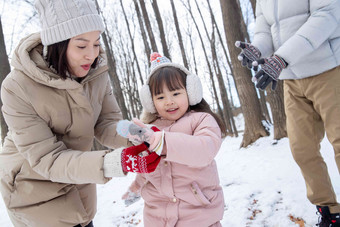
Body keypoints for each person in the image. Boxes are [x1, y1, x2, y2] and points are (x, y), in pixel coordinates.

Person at [0, 0, 158, 226]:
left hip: (79, 182)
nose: (92, 55)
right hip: (34, 191)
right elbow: (47, 159)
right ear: (57, 44)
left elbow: (107, 123)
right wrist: (117, 162)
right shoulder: (17, 87)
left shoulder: (96, 73)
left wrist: (135, 134)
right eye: (82, 46)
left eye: (96, 43)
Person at [235, 0, 340, 226]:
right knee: (302, 149)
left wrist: (281, 58)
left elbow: (327, 16)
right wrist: (258, 50)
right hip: (291, 78)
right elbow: (265, 31)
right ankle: (330, 212)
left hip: (330, 68)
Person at [117, 52, 225, 227]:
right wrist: (136, 187)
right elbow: (148, 167)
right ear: (151, 102)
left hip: (199, 217)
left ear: (190, 91)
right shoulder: (150, 130)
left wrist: (163, 143)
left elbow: (204, 150)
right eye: (160, 97)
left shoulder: (201, 120)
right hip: (158, 219)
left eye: (175, 93)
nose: (169, 101)